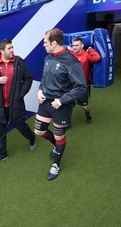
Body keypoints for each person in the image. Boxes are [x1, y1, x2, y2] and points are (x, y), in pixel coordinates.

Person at [34, 28, 87, 180]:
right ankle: (56, 147)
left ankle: (56, 164)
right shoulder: (48, 58)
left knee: (59, 136)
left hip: (61, 105)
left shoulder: (71, 61)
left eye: (45, 42)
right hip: (46, 102)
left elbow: (81, 87)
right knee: (39, 131)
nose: (43, 45)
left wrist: (61, 100)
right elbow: (44, 79)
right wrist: (40, 91)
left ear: (54, 43)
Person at [0, 38, 37, 167]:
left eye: (12, 47)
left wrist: (20, 94)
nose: (12, 50)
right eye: (9, 48)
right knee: (0, 132)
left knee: (21, 126)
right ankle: (2, 154)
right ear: (2, 51)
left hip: (15, 104)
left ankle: (32, 138)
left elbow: (28, 79)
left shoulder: (19, 62)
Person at [69, 37, 101, 123]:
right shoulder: (70, 54)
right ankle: (67, 122)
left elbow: (97, 58)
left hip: (82, 86)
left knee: (84, 106)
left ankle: (87, 114)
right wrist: (67, 48)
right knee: (67, 105)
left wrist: (90, 49)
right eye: (73, 45)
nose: (74, 47)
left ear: (82, 46)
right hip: (69, 86)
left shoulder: (86, 55)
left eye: (76, 45)